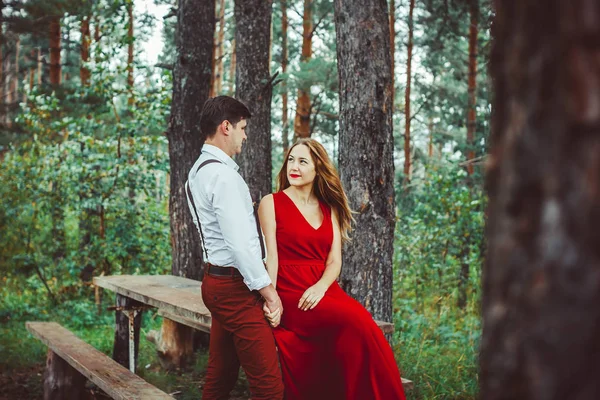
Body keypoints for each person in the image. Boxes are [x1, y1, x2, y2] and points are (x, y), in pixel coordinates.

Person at [258, 138, 406, 400]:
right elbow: (271, 257)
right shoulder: (271, 203)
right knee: (355, 322)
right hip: (291, 292)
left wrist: (320, 286)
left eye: (303, 161)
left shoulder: (330, 208)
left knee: (362, 325)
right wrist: (272, 300)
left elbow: (334, 261)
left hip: (323, 288)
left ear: (318, 168)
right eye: (291, 159)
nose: (294, 166)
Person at [185, 96, 284, 400]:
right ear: (225, 127)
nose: (245, 134)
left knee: (221, 375)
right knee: (269, 386)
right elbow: (240, 246)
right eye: (242, 128)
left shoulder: (198, 170)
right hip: (234, 288)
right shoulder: (223, 176)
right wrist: (270, 294)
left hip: (216, 282)